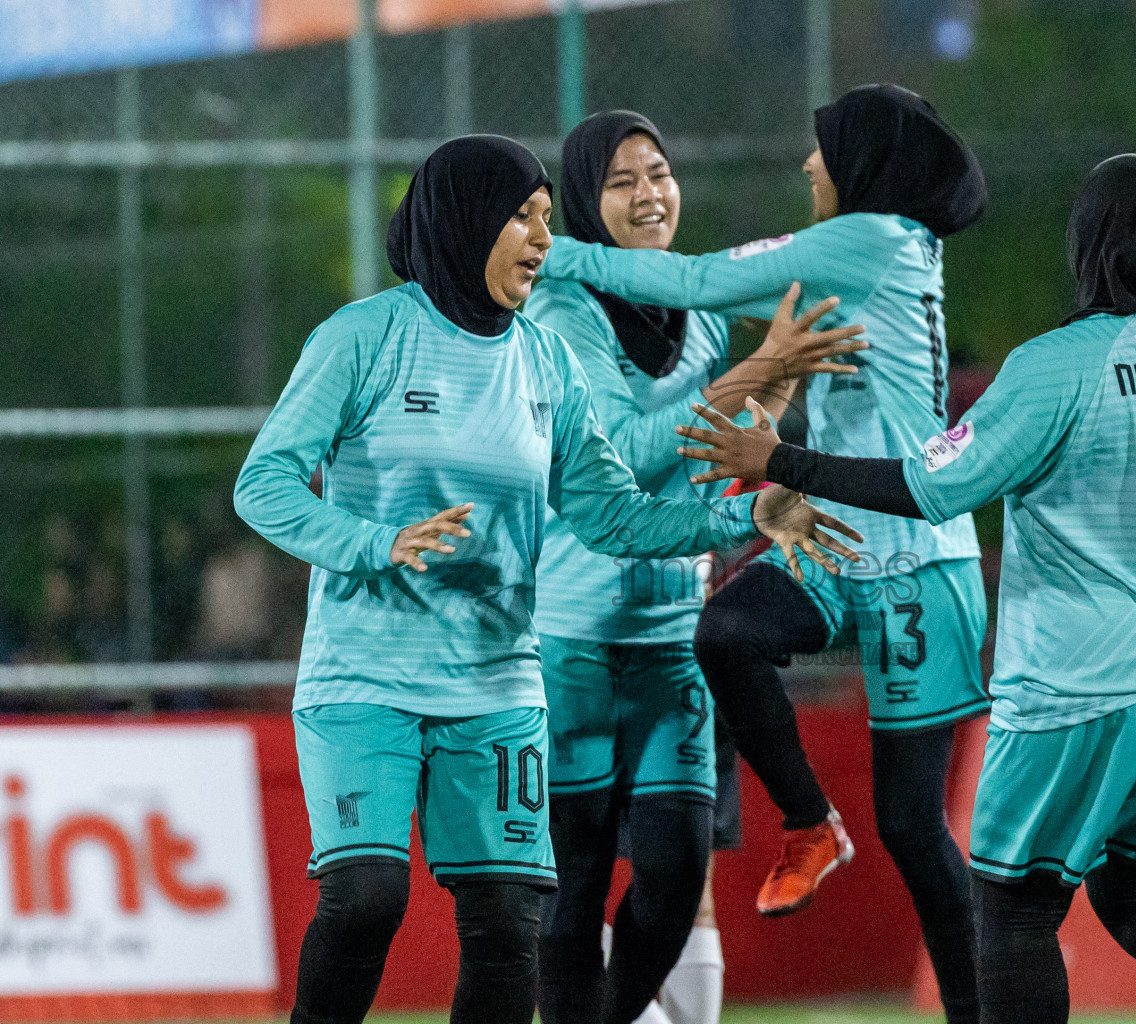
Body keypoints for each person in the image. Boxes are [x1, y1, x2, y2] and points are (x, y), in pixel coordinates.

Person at [673, 153, 1136, 1024]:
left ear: (1085, 246)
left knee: (1012, 911)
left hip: (1087, 686)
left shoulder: (1053, 367)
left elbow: (926, 488)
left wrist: (777, 459)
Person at [232, 135, 860, 1024]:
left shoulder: (543, 360)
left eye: (540, 217)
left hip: (497, 686)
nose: (538, 238)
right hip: (365, 680)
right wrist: (377, 543)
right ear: (460, 223)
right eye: (517, 219)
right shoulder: (362, 336)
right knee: (366, 897)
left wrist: (743, 516)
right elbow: (262, 485)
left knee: (506, 924)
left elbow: (615, 517)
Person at [537, 82, 990, 1024]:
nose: (807, 165)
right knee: (729, 634)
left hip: (911, 548)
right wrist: (771, 402)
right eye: (626, 179)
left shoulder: (864, 240)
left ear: (860, 164)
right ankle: (809, 824)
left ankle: (971, 1010)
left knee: (912, 826)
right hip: (789, 548)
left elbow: (700, 287)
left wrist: (550, 249)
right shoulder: (569, 319)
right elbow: (645, 446)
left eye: (821, 150)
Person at [526, 111, 865, 1024]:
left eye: (660, 173)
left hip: (675, 638)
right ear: (585, 204)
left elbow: (720, 450)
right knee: (574, 888)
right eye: (623, 181)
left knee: (675, 878)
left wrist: (779, 385)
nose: (650, 195)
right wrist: (758, 364)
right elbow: (623, 462)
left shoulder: (700, 313)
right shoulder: (561, 313)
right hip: (573, 641)